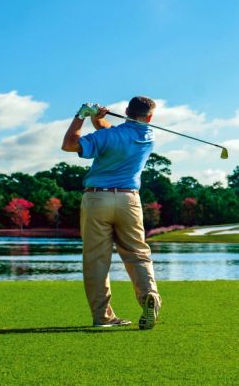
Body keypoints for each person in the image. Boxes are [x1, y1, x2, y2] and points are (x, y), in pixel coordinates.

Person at [61, 96, 161, 329]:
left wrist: (81, 116)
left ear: (126, 111)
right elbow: (114, 135)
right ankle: (150, 297)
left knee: (97, 260)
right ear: (150, 118)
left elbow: (69, 144)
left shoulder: (108, 136)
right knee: (137, 254)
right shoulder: (148, 136)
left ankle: (102, 317)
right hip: (129, 201)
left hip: (97, 198)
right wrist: (99, 120)